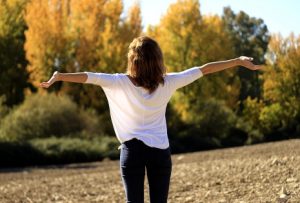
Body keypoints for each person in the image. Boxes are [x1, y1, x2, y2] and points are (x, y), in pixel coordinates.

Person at [40, 36, 261, 203]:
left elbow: (88, 76)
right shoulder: (169, 82)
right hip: (160, 152)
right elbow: (205, 69)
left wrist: (60, 76)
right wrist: (238, 61)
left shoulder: (118, 82)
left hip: (132, 152)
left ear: (132, 61)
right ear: (158, 60)